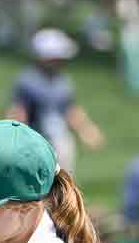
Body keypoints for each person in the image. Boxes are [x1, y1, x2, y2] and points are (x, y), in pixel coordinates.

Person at [8, 28, 104, 172]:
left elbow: (70, 109)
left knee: (63, 178)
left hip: (60, 138)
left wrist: (86, 130)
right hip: (37, 138)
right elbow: (19, 111)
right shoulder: (28, 82)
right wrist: (18, 139)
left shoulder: (63, 81)